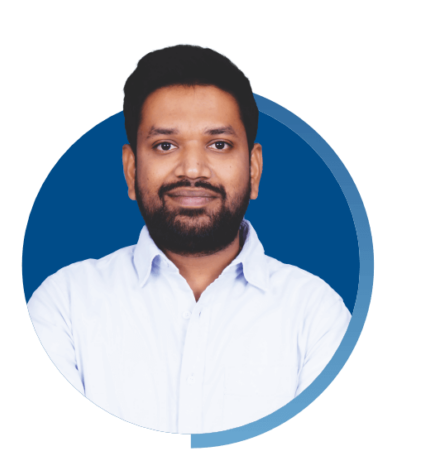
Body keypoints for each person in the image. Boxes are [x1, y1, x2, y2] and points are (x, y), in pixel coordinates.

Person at [27, 44, 352, 434]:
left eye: (219, 145)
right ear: (131, 169)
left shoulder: (317, 316)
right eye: (165, 145)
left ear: (254, 169)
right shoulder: (64, 306)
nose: (193, 169)